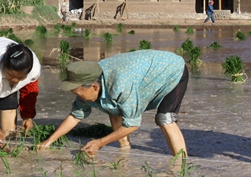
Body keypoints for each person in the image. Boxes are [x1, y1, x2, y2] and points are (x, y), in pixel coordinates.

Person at [38, 49, 189, 156]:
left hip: (172, 71)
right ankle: (125, 151)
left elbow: (133, 124)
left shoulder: (120, 85)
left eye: (77, 92)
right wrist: (49, 141)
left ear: (94, 86)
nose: (77, 96)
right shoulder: (89, 84)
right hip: (140, 73)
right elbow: (75, 116)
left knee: (165, 118)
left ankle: (181, 166)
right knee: (113, 107)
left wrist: (100, 142)